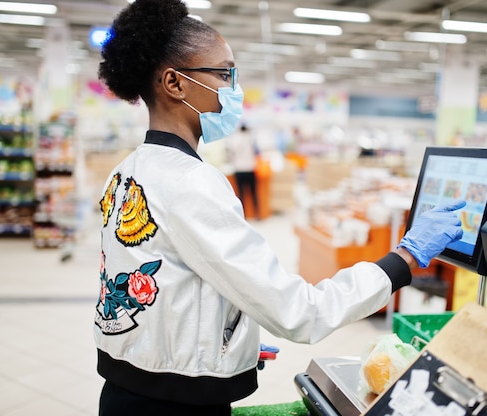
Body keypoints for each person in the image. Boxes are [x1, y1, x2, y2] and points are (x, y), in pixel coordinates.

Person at [93, 0, 465, 414]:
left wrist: (227, 342)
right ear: (174, 83)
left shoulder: (128, 172)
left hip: (126, 392)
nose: (234, 88)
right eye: (224, 73)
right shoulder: (190, 183)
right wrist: (405, 257)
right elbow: (300, 312)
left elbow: (164, 287)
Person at [226, 124, 260, 219]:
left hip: (239, 169)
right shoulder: (251, 139)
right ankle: (257, 214)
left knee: (241, 195)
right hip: (250, 168)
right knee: (254, 193)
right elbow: (257, 152)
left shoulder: (234, 139)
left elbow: (230, 154)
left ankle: (243, 216)